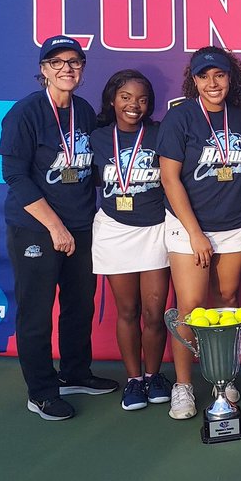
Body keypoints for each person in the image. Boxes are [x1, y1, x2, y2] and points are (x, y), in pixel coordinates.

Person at [0, 35, 118, 420]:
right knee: (35, 312)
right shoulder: (25, 113)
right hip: (35, 227)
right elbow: (14, 175)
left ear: (82, 69)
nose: (67, 68)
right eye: (57, 62)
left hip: (81, 225)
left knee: (79, 305)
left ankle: (75, 372)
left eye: (75, 61)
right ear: (44, 70)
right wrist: (54, 226)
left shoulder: (83, 111)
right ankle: (42, 391)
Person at [157, 46, 241, 420]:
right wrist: (195, 233)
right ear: (193, 80)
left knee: (227, 299)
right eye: (204, 76)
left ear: (231, 78)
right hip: (189, 227)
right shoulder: (180, 118)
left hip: (233, 226)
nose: (212, 83)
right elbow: (169, 177)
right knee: (191, 307)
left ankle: (220, 377)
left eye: (219, 75)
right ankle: (183, 384)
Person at [90, 69, 171, 411]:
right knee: (127, 310)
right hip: (114, 228)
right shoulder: (95, 138)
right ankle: (133, 381)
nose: (133, 105)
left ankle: (153, 377)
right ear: (112, 99)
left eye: (141, 99)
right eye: (125, 97)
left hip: (155, 230)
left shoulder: (159, 134)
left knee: (154, 313)